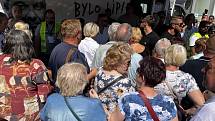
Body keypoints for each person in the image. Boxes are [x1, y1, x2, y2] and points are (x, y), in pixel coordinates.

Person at [0, 29, 52, 120]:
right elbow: (44, 95)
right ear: (27, 45)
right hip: (29, 116)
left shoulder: (0, 61)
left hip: (3, 115)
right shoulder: (35, 65)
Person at [111, 57, 178, 121]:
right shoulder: (169, 102)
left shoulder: (127, 99)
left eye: (138, 71)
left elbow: (113, 120)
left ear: (142, 77)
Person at [40, 63, 106, 121]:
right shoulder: (93, 104)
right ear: (82, 82)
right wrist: (97, 100)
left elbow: (43, 117)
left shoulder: (52, 99)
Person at [154, 44, 205, 117]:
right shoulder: (186, 78)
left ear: (166, 54)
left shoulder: (153, 72)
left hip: (151, 114)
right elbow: (201, 105)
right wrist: (186, 112)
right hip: (173, 116)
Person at [94, 43, 136, 120]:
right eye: (128, 63)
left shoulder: (100, 71)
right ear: (117, 63)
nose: (129, 66)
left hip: (97, 115)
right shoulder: (125, 83)